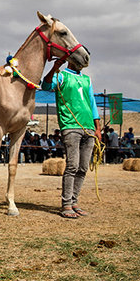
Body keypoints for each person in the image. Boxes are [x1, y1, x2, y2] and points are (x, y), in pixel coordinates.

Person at [42, 59, 101, 219]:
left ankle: (74, 202)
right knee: (72, 166)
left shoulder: (86, 79)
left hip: (88, 127)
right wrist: (55, 67)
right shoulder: (62, 76)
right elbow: (46, 86)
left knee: (83, 168)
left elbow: (92, 103)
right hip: (71, 125)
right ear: (71, 59)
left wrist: (97, 127)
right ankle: (66, 204)